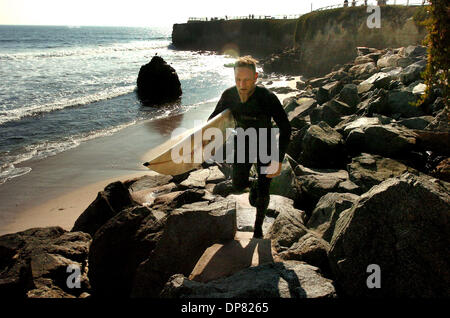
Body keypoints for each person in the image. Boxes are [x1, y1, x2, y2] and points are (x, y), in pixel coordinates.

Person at [208, 56, 291, 238]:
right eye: (238, 79)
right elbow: (212, 122)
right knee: (238, 184)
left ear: (256, 77)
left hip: (265, 144)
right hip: (243, 142)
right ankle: (253, 183)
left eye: (246, 80)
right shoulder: (229, 95)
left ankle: (258, 229)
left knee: (263, 191)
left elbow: (286, 128)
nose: (242, 84)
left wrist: (277, 160)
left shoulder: (267, 98)